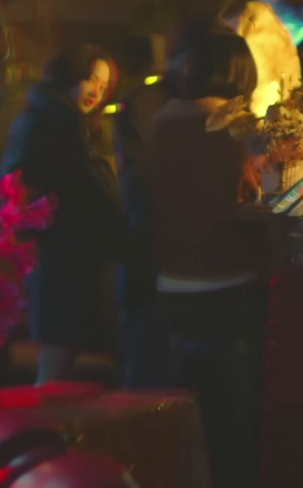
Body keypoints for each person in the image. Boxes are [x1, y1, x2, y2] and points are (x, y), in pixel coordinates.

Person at [143, 30, 267, 488]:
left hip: (171, 287)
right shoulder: (236, 126)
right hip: (228, 286)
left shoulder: (159, 123)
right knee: (233, 428)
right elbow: (252, 200)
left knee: (186, 426)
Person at [0, 44, 126, 386]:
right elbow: (26, 188)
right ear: (70, 75)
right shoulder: (54, 123)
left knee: (61, 364)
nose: (96, 92)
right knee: (55, 369)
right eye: (91, 80)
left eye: (104, 86)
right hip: (58, 256)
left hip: (66, 255)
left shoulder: (61, 120)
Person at [113, 21, 218, 388]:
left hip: (168, 256)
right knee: (148, 369)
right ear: (189, 64)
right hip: (151, 251)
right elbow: (147, 177)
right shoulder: (151, 105)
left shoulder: (169, 104)